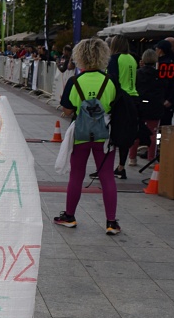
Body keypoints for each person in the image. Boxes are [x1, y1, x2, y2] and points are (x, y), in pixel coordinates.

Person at [54, 38, 120, 235]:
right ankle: (111, 222)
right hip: (105, 134)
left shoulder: (75, 81)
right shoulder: (110, 80)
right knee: (107, 175)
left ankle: (69, 216)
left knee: (77, 174)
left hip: (81, 133)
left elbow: (67, 110)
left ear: (79, 56)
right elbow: (117, 106)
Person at [106, 35, 139, 178]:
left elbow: (112, 79)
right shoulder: (132, 58)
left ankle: (105, 167)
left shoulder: (114, 59)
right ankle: (121, 166)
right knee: (126, 134)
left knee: (112, 133)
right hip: (133, 97)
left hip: (120, 98)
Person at [134, 49, 165, 162]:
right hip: (154, 106)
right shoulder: (159, 74)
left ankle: (132, 158)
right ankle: (151, 157)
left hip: (140, 105)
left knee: (136, 132)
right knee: (154, 133)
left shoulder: (137, 73)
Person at [155, 39, 174, 126]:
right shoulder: (173, 62)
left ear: (160, 50)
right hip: (167, 100)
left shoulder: (161, 64)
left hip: (162, 98)